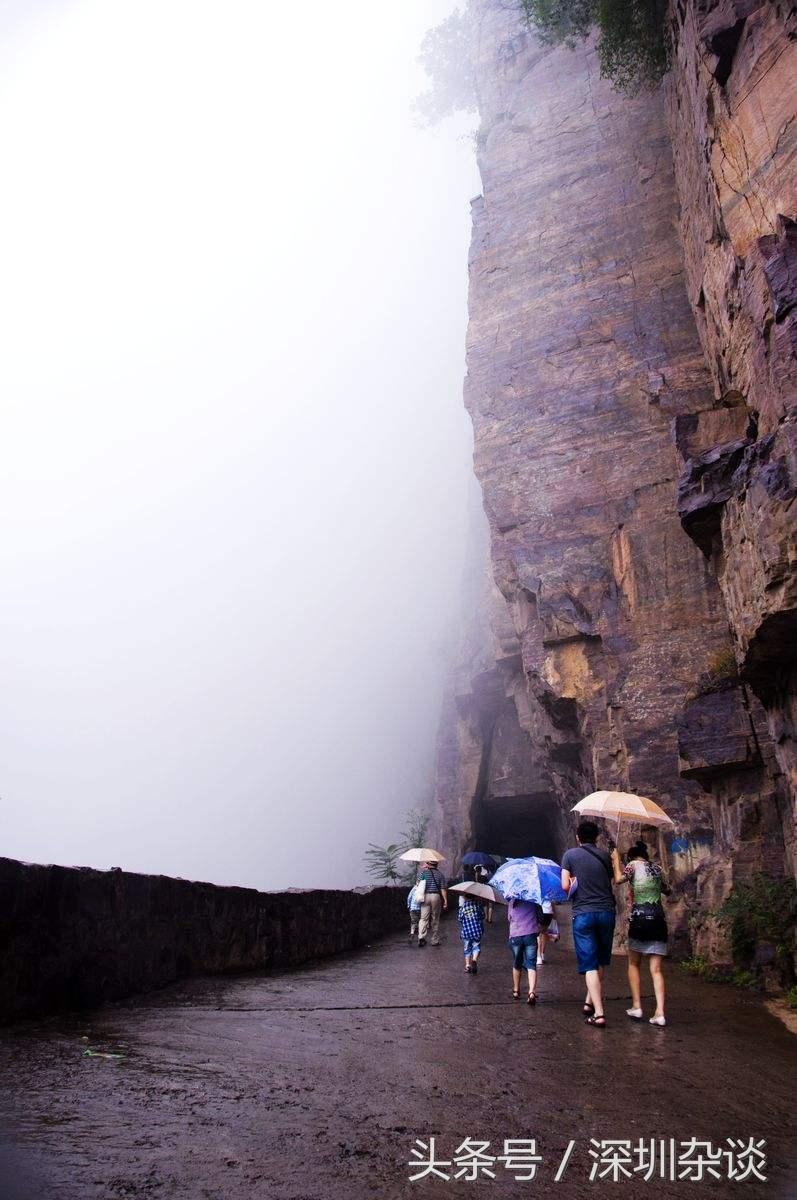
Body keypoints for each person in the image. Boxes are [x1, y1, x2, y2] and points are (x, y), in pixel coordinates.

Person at [561, 820, 620, 1027]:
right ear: (596, 837)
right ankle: (588, 1002)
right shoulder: (604, 856)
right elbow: (613, 880)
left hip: (584, 914)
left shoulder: (569, 856)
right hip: (606, 913)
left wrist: (576, 882)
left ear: (578, 837)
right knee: (600, 961)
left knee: (589, 964)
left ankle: (600, 1013)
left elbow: (565, 885)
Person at [613, 840, 670, 1026]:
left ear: (631, 857)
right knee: (656, 969)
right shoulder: (657, 869)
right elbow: (667, 890)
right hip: (658, 920)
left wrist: (615, 860)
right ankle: (660, 1013)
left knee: (634, 963)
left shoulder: (632, 865)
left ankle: (637, 1006)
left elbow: (619, 879)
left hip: (640, 920)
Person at [507, 897, 542, 1004]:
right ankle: (531, 992)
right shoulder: (533, 900)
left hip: (516, 936)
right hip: (531, 935)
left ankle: (516, 990)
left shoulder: (512, 901)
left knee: (517, 963)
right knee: (531, 964)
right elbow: (539, 917)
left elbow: (509, 918)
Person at [417, 860, 448, 947]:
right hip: (435, 896)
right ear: (436, 865)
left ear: (429, 864)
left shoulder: (423, 873)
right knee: (435, 918)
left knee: (423, 918)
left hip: (425, 896)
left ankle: (421, 937)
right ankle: (434, 940)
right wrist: (445, 901)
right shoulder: (440, 874)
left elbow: (418, 884)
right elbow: (443, 889)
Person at [458, 892, 490, 973]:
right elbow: (482, 916)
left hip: (466, 932)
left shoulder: (463, 908)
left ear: (465, 897)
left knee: (467, 949)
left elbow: (460, 919)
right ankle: (474, 960)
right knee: (476, 947)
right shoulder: (478, 906)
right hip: (477, 931)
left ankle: (467, 966)